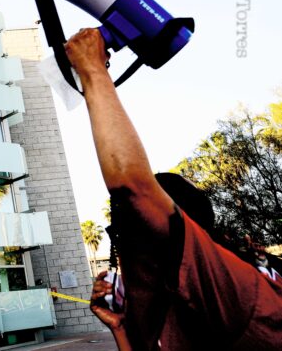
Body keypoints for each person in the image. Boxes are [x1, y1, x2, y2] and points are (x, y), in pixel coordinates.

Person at [64, 28, 282, 350]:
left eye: (124, 232)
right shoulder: (168, 303)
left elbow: (132, 187)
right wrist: (122, 330)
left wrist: (93, 70)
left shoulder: (229, 287)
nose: (123, 251)